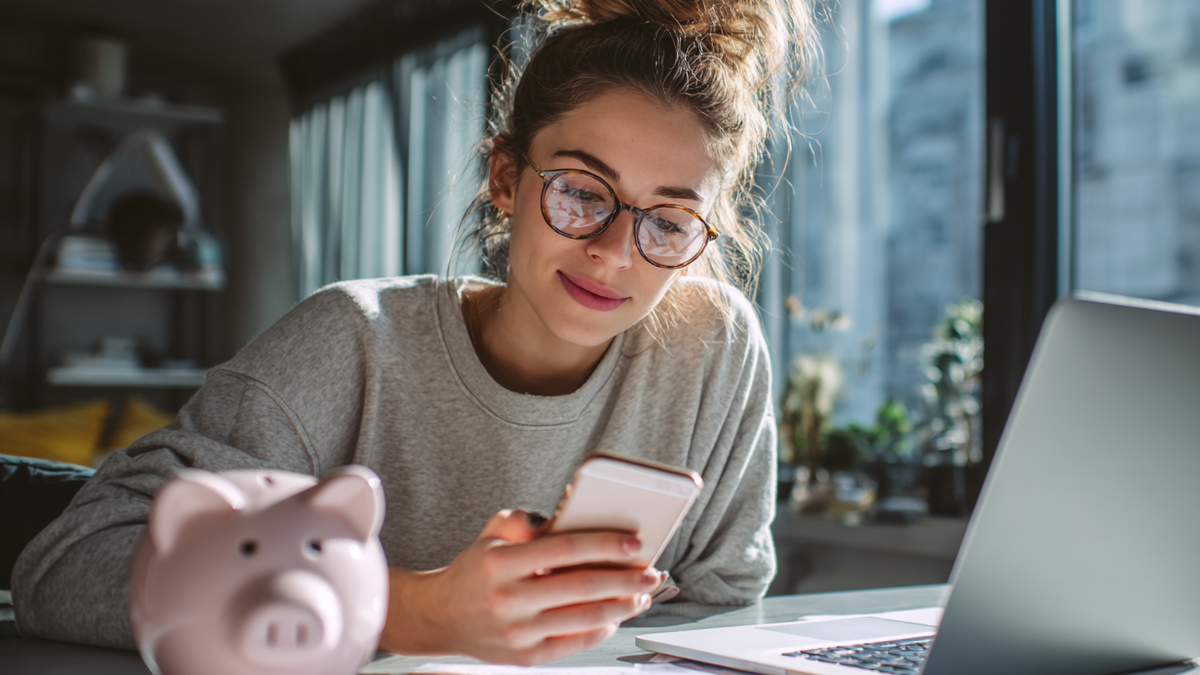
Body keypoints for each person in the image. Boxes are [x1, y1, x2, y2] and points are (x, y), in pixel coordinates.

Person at [13, 0, 818, 665]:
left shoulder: (713, 348)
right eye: (580, 191)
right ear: (505, 178)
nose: (613, 252)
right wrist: (404, 611)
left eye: (670, 221)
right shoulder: (350, 343)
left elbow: (722, 613)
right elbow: (65, 566)